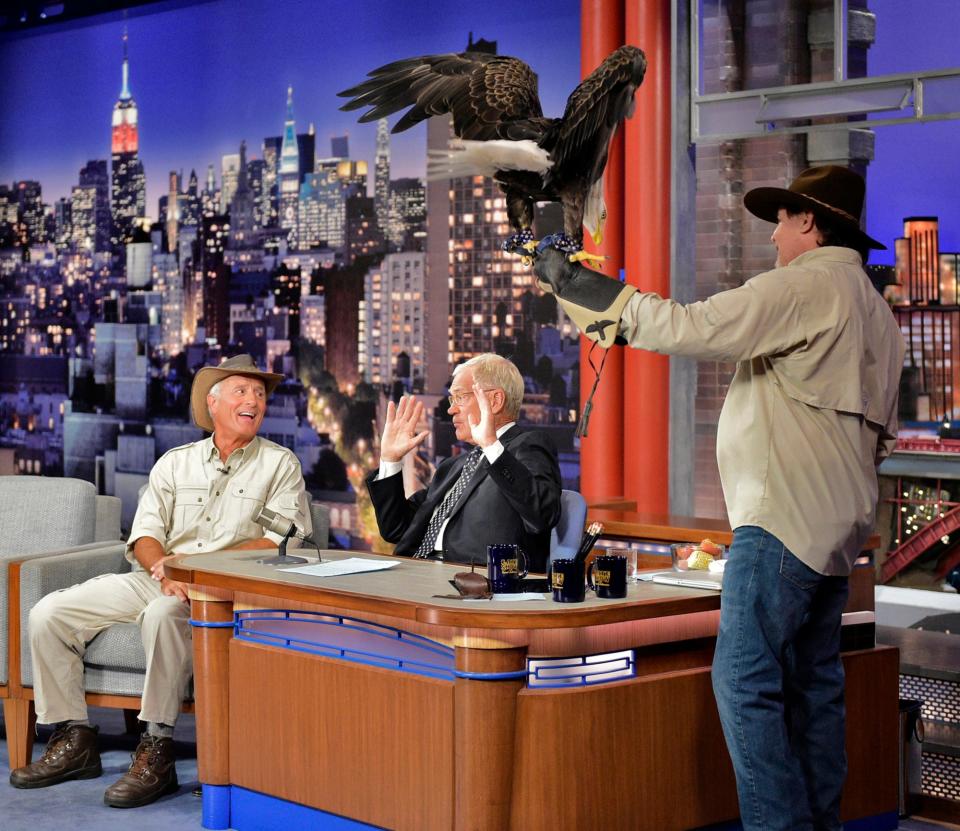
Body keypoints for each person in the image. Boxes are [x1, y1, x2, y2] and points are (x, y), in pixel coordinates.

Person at [532, 165, 905, 831]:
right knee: (815, 689)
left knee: (743, 683)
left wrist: (569, 279)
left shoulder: (805, 284)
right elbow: (883, 439)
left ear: (811, 225)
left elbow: (689, 326)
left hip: (782, 527)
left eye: (782, 223)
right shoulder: (877, 312)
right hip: (839, 539)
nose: (773, 240)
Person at [10, 354, 311, 808]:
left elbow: (278, 542)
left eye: (260, 394)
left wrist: (195, 570)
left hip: (218, 590)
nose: (254, 401)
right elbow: (145, 534)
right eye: (242, 391)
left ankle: (156, 750)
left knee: (162, 613)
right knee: (50, 612)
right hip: (156, 577)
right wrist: (164, 568)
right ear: (213, 404)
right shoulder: (176, 463)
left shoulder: (279, 465)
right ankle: (74, 740)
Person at [366, 353, 561, 573]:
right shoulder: (453, 467)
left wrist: (490, 445)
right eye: (452, 399)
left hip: (474, 582)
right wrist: (390, 460)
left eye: (460, 397)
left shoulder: (527, 446)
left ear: (495, 401)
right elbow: (396, 530)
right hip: (415, 572)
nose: (451, 409)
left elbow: (543, 515)